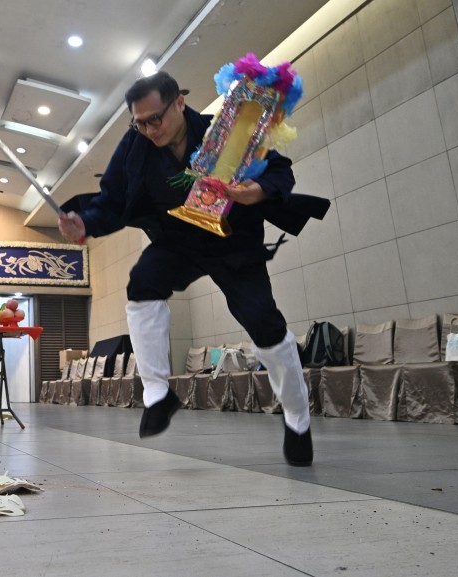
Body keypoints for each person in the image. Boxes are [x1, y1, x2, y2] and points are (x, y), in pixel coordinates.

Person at [58, 71, 329, 466]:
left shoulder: (226, 132)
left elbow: (279, 171)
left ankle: (298, 419)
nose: (149, 129)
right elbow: (113, 199)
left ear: (179, 103)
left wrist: (257, 191)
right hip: (176, 240)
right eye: (140, 122)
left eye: (156, 119)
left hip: (233, 241)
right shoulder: (135, 146)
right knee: (142, 284)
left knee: (265, 326)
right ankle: (157, 394)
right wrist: (86, 224)